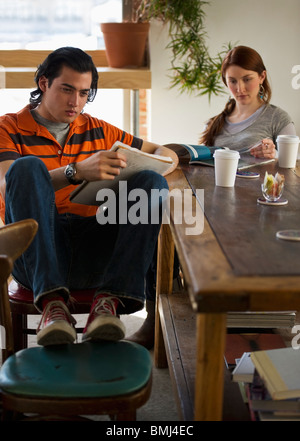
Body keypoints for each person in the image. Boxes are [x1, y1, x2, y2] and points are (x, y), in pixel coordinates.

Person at [0, 47, 178, 347]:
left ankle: (108, 304)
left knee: (151, 181)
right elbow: (8, 184)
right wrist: (76, 172)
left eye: (84, 93)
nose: (75, 102)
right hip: (35, 255)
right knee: (26, 167)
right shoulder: (9, 127)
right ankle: (53, 307)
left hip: (92, 251)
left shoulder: (97, 129)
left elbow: (164, 152)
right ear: (44, 83)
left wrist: (154, 167)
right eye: (67, 90)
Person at [199, 46, 296, 155]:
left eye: (247, 79)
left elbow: (295, 166)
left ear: (262, 76)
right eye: (233, 81)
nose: (240, 89)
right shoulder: (211, 125)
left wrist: (275, 155)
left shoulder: (278, 119)